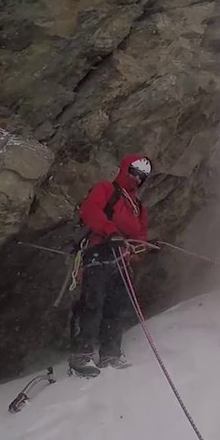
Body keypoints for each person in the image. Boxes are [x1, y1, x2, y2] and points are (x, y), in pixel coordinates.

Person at [67, 154, 155, 375]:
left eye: (141, 176)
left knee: (117, 306)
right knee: (93, 300)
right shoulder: (106, 190)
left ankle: (110, 353)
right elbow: (90, 211)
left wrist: (141, 247)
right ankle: (82, 353)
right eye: (134, 172)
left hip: (121, 259)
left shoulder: (138, 207)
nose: (136, 179)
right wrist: (111, 232)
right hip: (99, 251)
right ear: (125, 170)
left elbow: (140, 235)